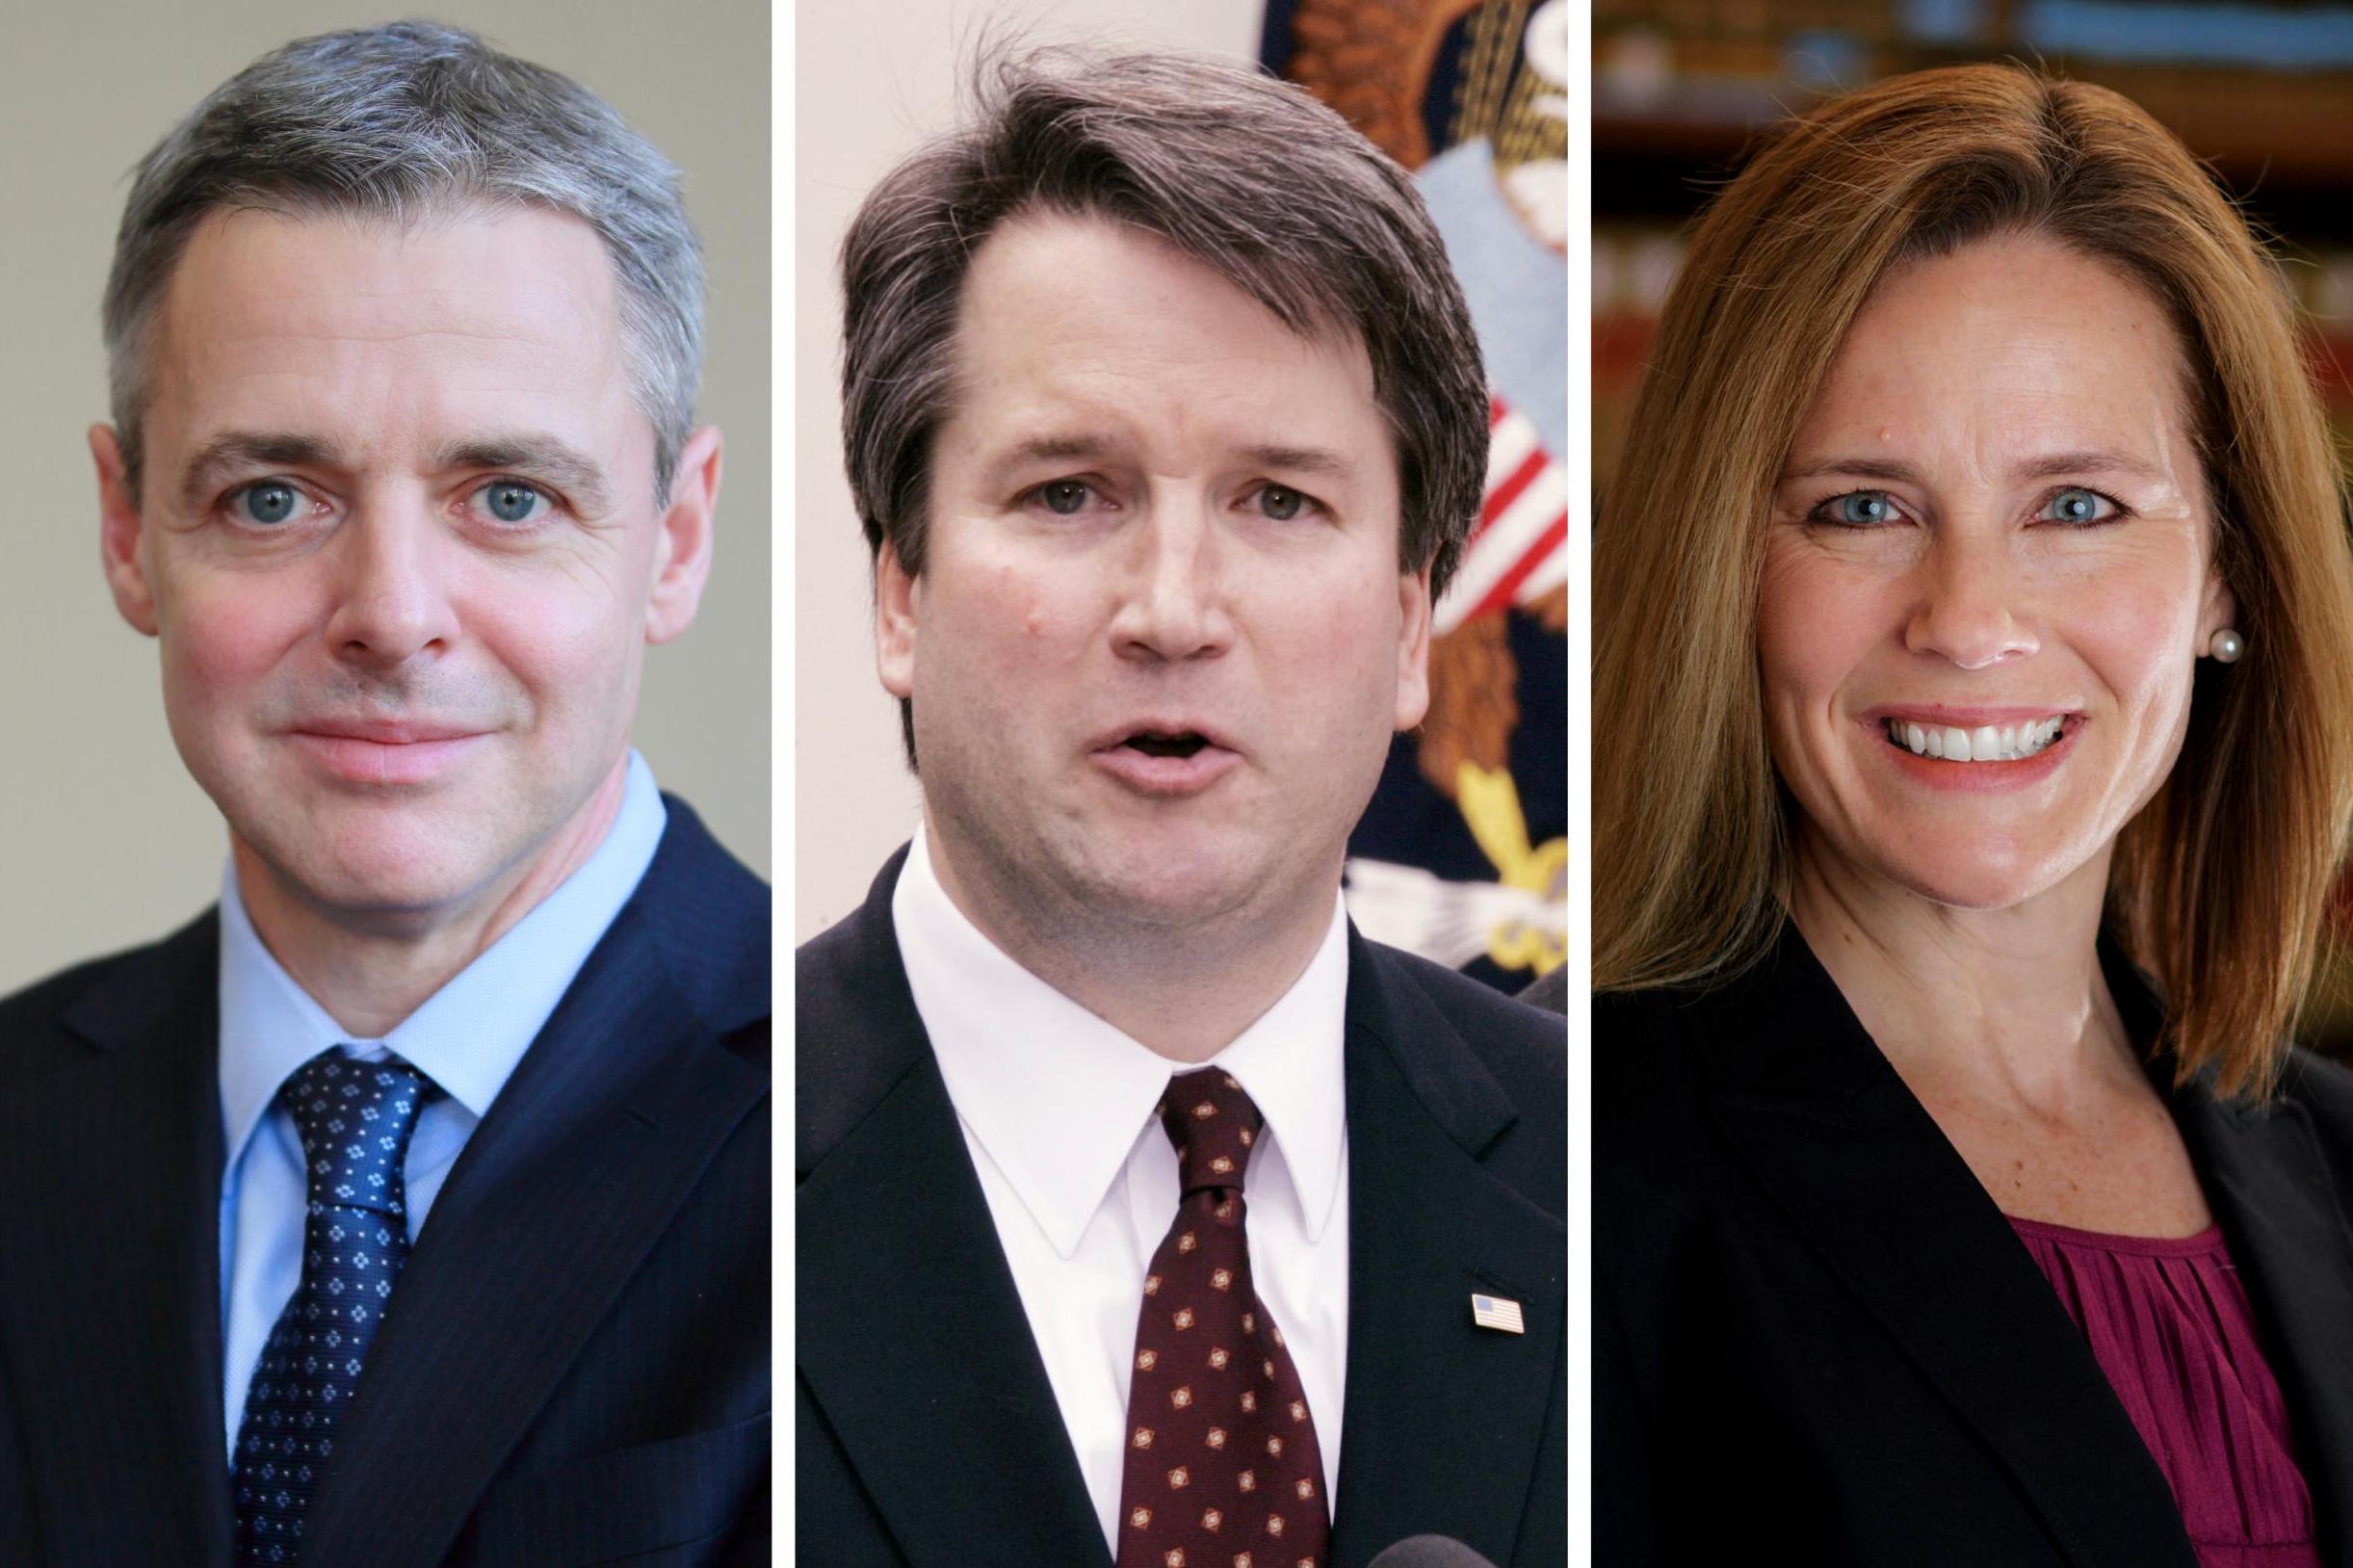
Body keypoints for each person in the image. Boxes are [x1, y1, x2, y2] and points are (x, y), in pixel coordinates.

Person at [0, 24, 769, 1566]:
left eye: (509, 497)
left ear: (674, 540)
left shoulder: (854, 1127)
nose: (392, 611)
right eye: (273, 497)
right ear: (128, 528)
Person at [796, 46, 1566, 1568]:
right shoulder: (696, 1162)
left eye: (1280, 501)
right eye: (1070, 492)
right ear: (900, 587)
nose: (1172, 610)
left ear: (1415, 622)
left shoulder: (1619, 1175)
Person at [1593, 63, 2353, 1565]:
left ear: (2229, 576)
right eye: (1861, 506)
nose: (1969, 618)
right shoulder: (1583, 1186)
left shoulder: (2337, 1163)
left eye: (2077, 507)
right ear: (1722, 574)